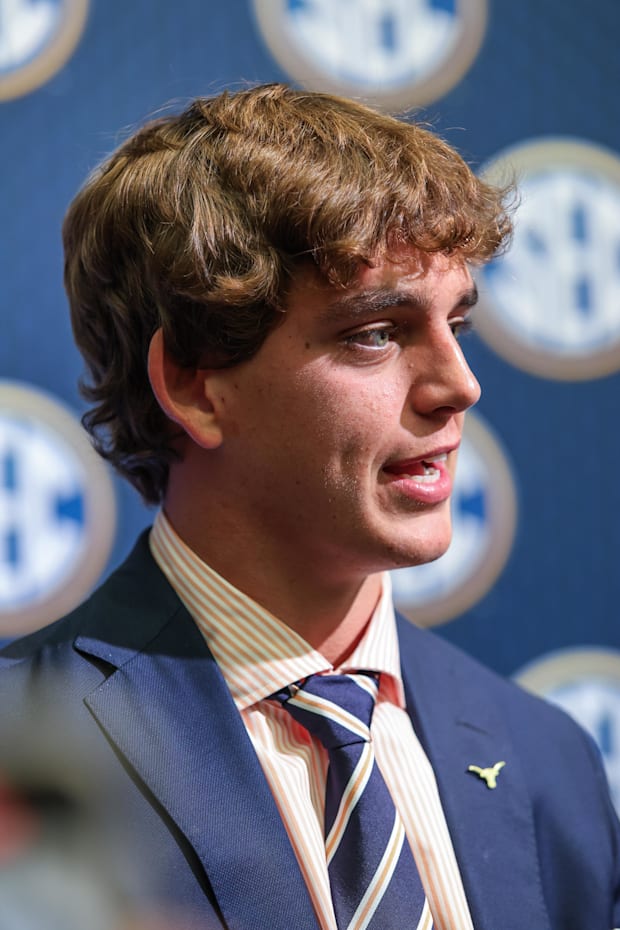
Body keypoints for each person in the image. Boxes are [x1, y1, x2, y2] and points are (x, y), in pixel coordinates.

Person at [1, 83, 619, 930]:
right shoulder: (20, 754)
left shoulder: (552, 762)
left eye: (457, 326)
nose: (460, 386)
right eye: (376, 332)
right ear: (194, 385)